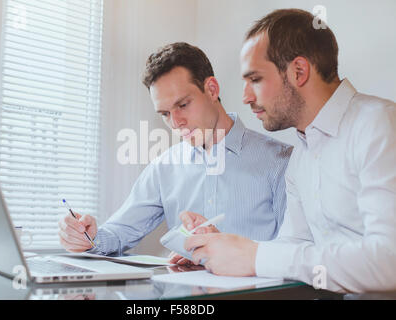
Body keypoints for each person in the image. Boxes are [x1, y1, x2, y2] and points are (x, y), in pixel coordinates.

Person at [184, 9, 396, 293]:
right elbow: (294, 247)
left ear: (298, 71)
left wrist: (256, 257)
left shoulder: (379, 124)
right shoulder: (301, 153)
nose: (245, 96)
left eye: (255, 79)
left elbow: (389, 262)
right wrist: (221, 250)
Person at [58, 42, 292, 260]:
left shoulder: (280, 161)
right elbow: (119, 233)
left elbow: (294, 250)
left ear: (211, 89)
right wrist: (87, 238)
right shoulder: (164, 167)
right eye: (165, 114)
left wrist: (230, 251)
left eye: (182, 105)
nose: (176, 122)